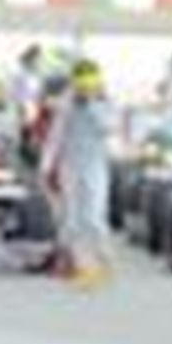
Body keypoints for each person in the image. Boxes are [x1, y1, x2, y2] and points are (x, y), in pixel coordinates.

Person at [41, 57, 113, 283]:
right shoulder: (66, 104)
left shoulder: (104, 103)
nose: (82, 92)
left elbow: (107, 128)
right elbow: (55, 136)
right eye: (80, 87)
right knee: (70, 217)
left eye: (86, 87)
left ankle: (102, 259)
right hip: (70, 165)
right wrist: (46, 165)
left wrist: (91, 103)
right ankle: (67, 260)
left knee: (94, 216)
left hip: (95, 165)